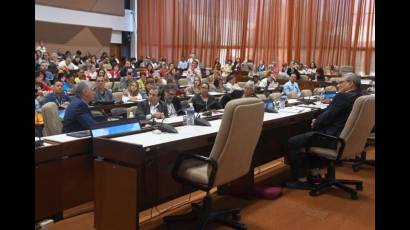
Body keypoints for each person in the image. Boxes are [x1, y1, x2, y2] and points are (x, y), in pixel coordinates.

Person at [284, 73, 363, 189]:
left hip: (333, 138)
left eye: (341, 82)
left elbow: (327, 116)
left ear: (351, 83)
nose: (338, 85)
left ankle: (302, 180)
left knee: (292, 142)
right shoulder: (360, 96)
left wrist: (316, 121)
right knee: (313, 134)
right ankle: (314, 173)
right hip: (345, 138)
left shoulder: (343, 97)